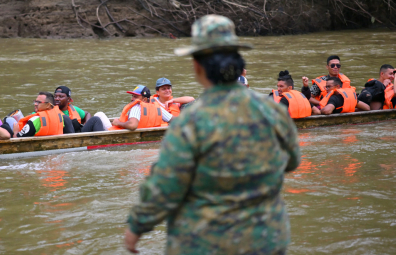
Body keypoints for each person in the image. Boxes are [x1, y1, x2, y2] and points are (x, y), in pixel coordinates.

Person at [124, 15, 300, 254]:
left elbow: (165, 186)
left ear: (198, 67)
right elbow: (292, 162)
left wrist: (136, 227)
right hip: (266, 239)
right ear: (240, 66)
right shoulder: (273, 112)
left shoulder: (189, 122)